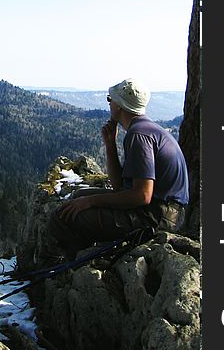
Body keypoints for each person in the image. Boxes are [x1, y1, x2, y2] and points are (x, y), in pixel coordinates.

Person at [49, 77, 189, 260]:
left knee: (63, 216)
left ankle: (75, 264)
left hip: (156, 216)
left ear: (120, 106)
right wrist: (110, 145)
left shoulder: (139, 136)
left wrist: (91, 203)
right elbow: (120, 188)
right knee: (78, 197)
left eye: (110, 100)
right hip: (165, 211)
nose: (110, 104)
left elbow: (142, 196)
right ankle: (86, 253)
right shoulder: (146, 129)